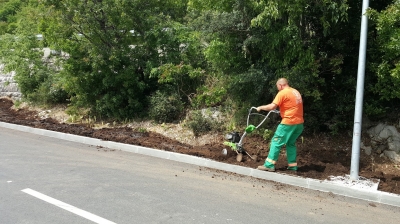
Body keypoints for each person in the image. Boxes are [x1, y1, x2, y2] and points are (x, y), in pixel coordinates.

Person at [256, 78, 304, 172]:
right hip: (299, 124)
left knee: (276, 141)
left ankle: (269, 165)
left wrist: (260, 107)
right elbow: (292, 106)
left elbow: (272, 106)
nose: (278, 89)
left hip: (288, 123)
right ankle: (292, 166)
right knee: (290, 143)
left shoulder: (283, 93)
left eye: (278, 87)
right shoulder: (295, 91)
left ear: (281, 85)